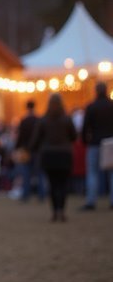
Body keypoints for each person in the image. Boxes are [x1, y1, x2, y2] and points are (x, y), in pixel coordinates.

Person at [30, 93, 77, 222]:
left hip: (48, 155)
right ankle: (61, 210)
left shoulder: (43, 120)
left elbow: (36, 139)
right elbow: (74, 136)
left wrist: (31, 149)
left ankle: (55, 211)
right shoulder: (67, 119)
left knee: (52, 184)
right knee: (63, 184)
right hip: (64, 154)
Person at [80, 82, 113, 210]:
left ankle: (91, 201)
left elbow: (85, 127)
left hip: (95, 143)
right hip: (111, 142)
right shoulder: (111, 105)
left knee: (92, 173)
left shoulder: (91, 106)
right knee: (112, 173)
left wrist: (84, 141)